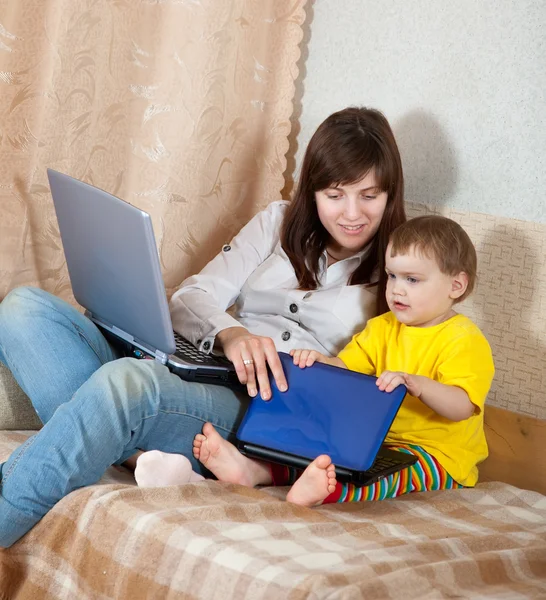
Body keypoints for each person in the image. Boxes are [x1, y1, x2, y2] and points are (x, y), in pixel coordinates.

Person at [0, 106, 405, 547]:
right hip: (206, 364)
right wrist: (233, 334)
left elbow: (387, 382)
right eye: (335, 194)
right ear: (313, 191)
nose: (352, 213)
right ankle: (131, 449)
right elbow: (191, 297)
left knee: (125, 383)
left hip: (263, 408)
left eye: (369, 196)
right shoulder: (277, 222)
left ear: (390, 194)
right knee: (22, 309)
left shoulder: (403, 272)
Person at [154, 216, 494, 507]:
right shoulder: (382, 328)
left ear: (456, 285)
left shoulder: (463, 339)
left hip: (439, 456)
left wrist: (419, 385)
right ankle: (254, 471)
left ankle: (325, 494)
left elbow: (462, 405)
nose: (396, 290)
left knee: (386, 475)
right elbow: (348, 368)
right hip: (377, 441)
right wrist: (319, 361)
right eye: (392, 276)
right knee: (323, 449)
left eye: (412, 279)